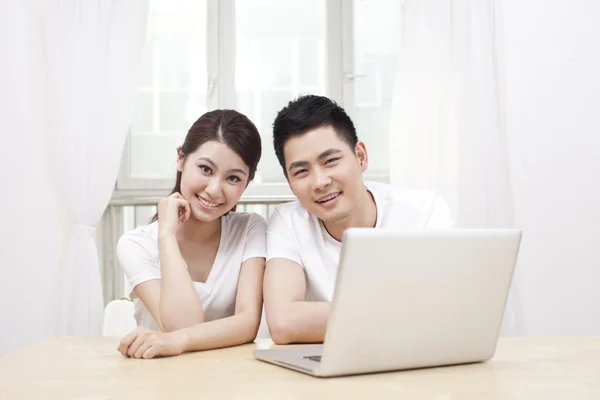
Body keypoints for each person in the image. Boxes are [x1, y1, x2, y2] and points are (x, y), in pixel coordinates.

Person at [263, 95, 455, 344]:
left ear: (361, 156)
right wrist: (408, 311)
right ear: (289, 182)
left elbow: (449, 311)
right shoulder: (288, 221)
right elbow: (284, 324)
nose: (320, 182)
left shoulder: (425, 211)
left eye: (330, 161)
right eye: (302, 171)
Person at [116, 109, 266, 359]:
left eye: (233, 178)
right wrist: (166, 236)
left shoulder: (250, 229)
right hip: (159, 379)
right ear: (181, 159)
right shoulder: (136, 244)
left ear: (247, 182)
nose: (214, 190)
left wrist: (178, 341)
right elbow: (181, 324)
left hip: (232, 378)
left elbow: (247, 322)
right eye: (206, 169)